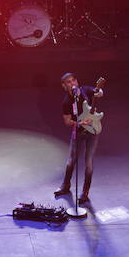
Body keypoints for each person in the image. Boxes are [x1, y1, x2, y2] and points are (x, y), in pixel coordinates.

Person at [54, 72, 105, 203]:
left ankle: (85, 192)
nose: (72, 83)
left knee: (89, 163)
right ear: (64, 86)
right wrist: (80, 123)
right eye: (69, 82)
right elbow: (67, 122)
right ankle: (65, 186)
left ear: (77, 81)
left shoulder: (85, 90)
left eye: (74, 80)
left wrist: (99, 91)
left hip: (92, 131)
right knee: (71, 161)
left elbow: (99, 92)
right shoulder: (66, 102)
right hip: (78, 132)